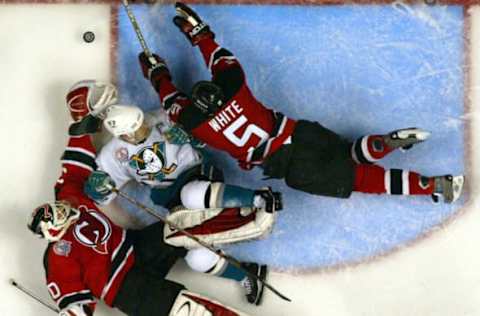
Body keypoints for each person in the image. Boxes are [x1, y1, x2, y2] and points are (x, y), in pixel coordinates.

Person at [137, 2, 464, 204]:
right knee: (346, 152)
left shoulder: (200, 126)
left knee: (362, 180)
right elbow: (219, 59)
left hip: (290, 165)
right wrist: (198, 33)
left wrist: (156, 72)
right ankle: (385, 143)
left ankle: (433, 185)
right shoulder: (236, 90)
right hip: (302, 134)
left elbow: (170, 99)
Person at [28, 111, 272, 316]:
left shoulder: (70, 197)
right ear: (53, 232)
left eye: (59, 207)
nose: (65, 209)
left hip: (136, 246)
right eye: (60, 214)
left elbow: (75, 167)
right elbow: (72, 300)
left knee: (180, 227)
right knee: (187, 311)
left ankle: (251, 220)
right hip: (124, 287)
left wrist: (81, 123)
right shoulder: (58, 256)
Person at [67, 80, 281, 221]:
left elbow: (210, 136)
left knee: (191, 194)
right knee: (198, 259)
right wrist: (96, 188)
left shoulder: (164, 117)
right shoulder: (112, 155)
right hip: (168, 197)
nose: (140, 131)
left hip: (197, 172)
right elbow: (101, 195)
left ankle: (258, 199)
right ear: (121, 135)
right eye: (131, 132)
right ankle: (246, 268)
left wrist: (193, 138)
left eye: (141, 123)